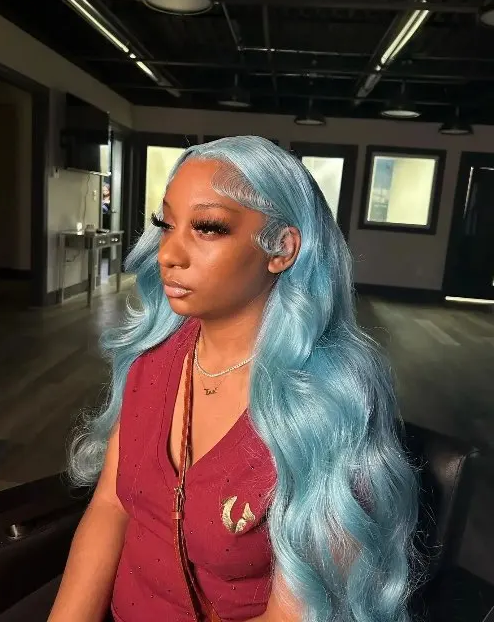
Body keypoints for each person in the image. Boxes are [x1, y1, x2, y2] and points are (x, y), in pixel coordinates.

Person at [48, 136, 419, 622]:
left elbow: (293, 615)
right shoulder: (152, 360)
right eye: (165, 224)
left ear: (281, 249)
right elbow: (110, 507)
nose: (168, 253)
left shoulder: (325, 406)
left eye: (208, 228)